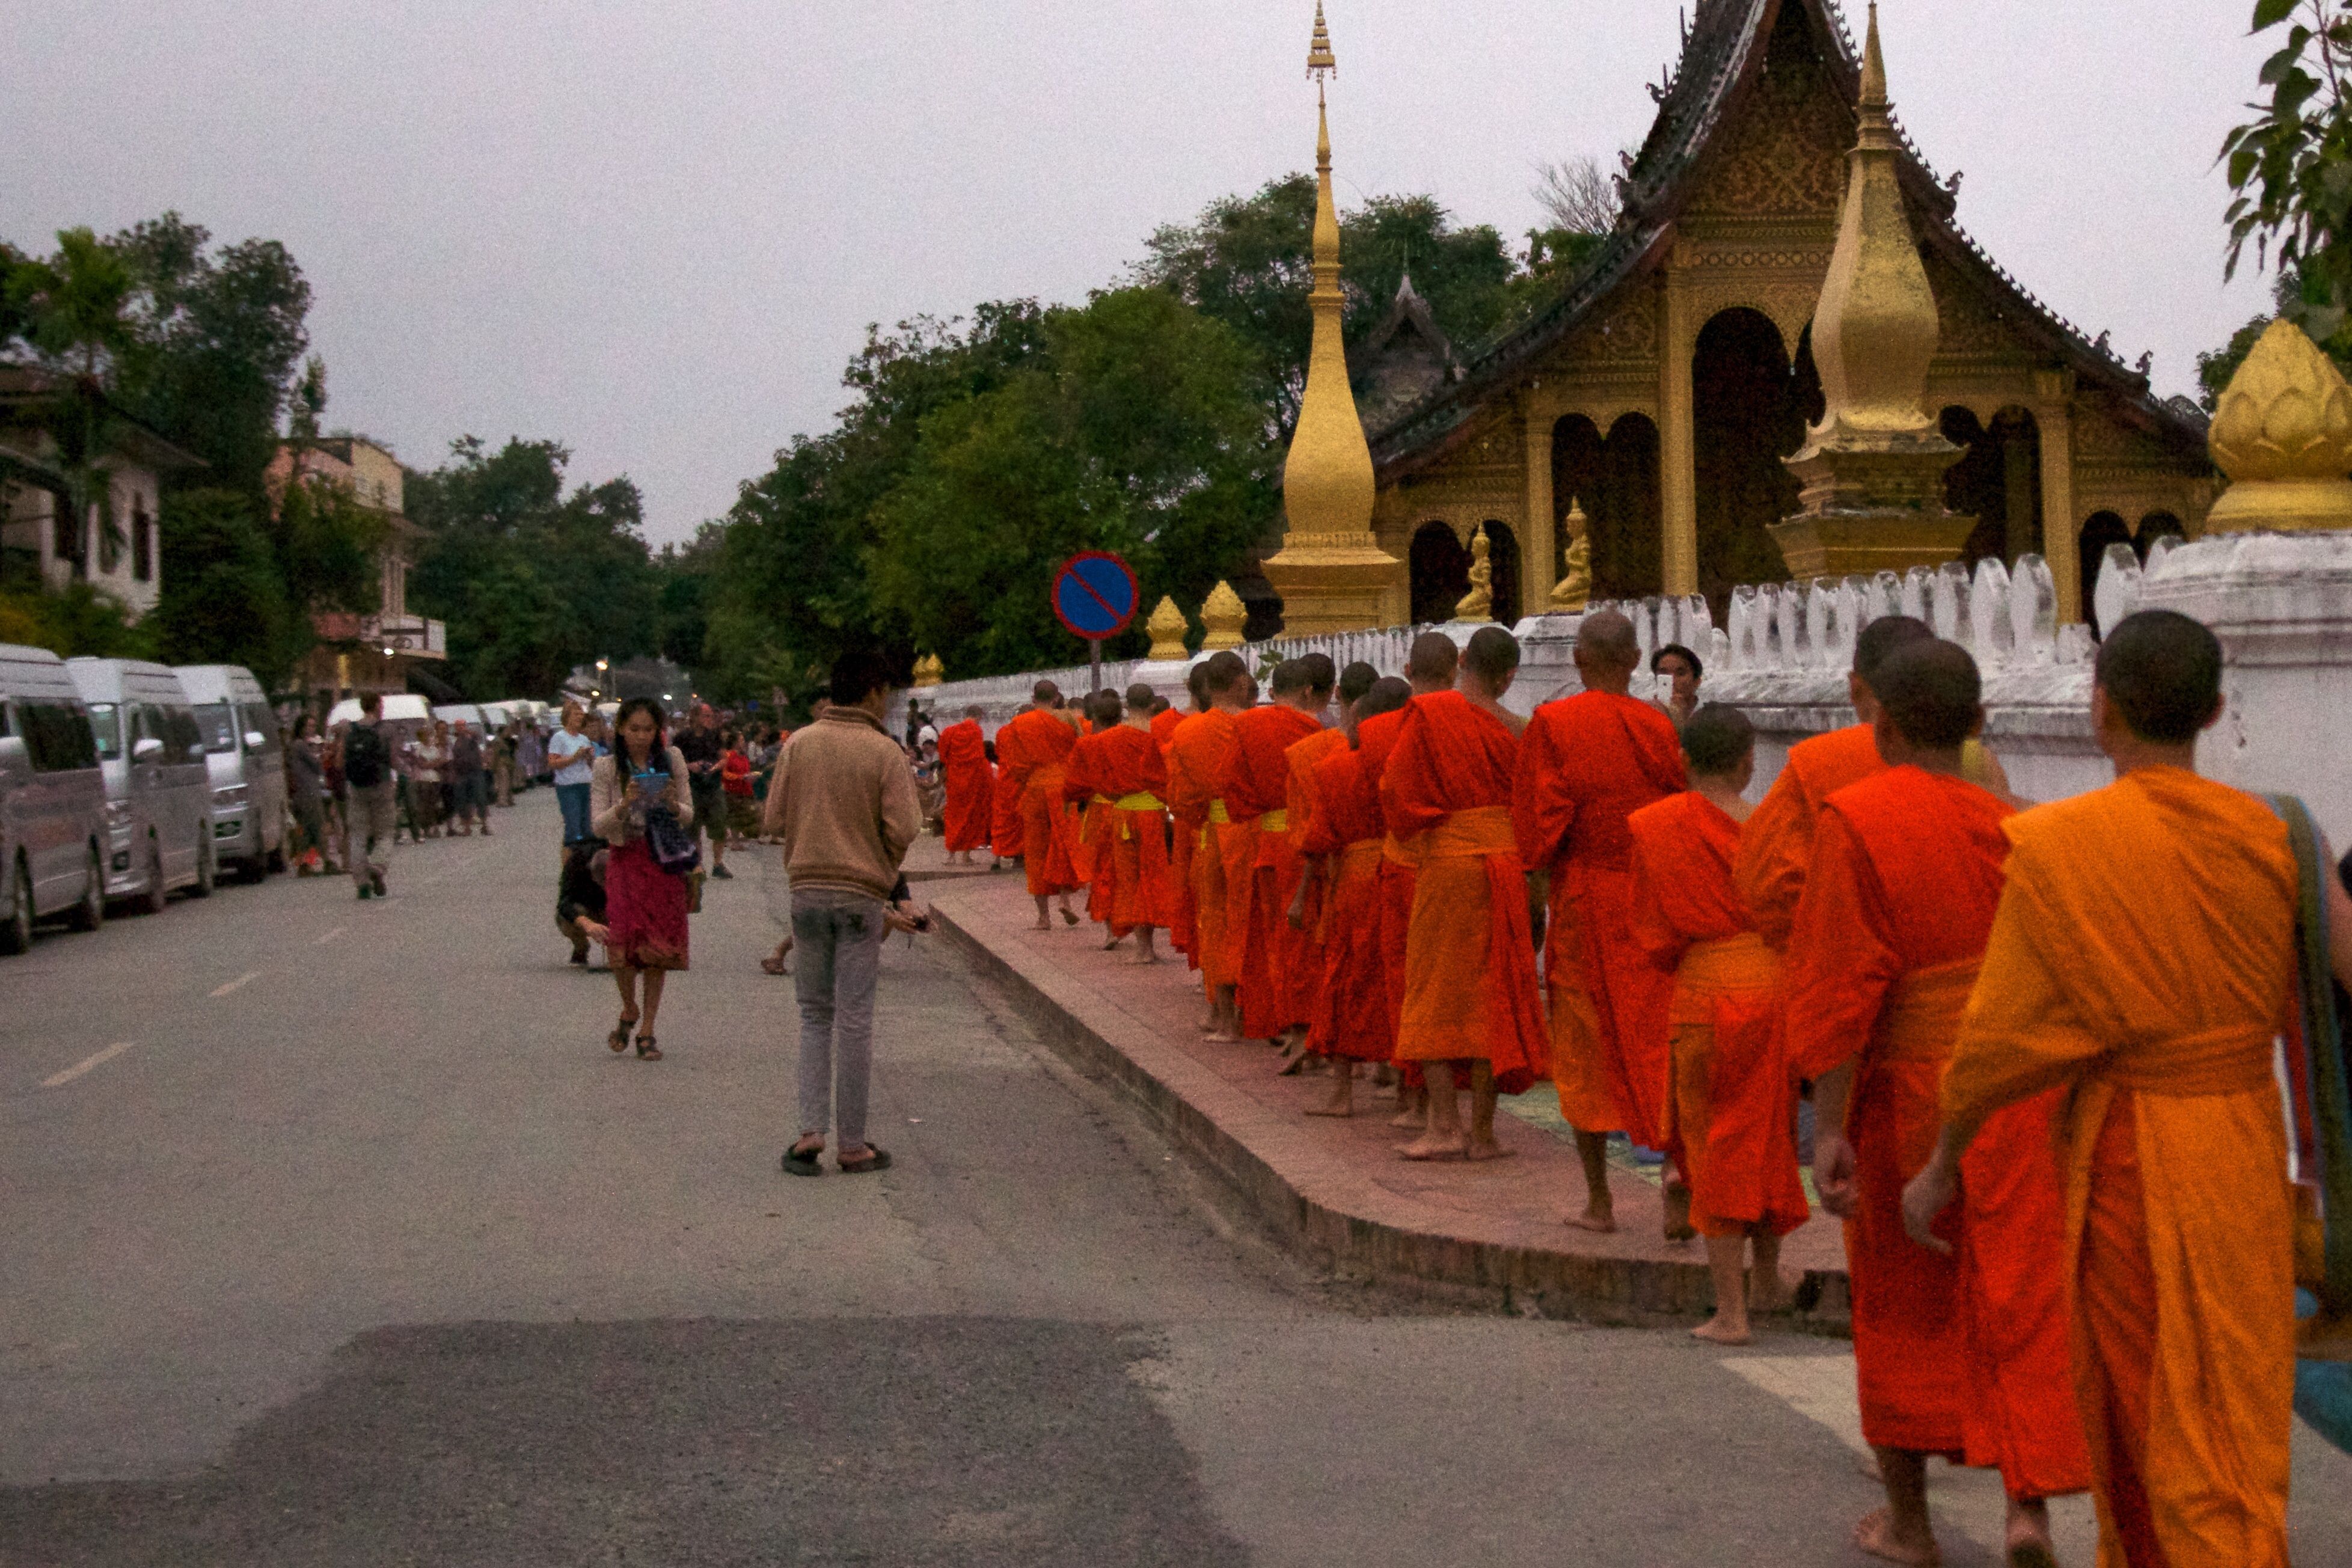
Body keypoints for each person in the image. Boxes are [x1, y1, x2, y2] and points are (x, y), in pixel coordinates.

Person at [1906, 611, 2352, 1568]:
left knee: (2145, 1397)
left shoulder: (2065, 844)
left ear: (2099, 710)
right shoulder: (2278, 831)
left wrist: (1942, 1164)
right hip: (2241, 1146)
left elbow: (1999, 1042)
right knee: (2230, 1396)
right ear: (2217, 711)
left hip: (2130, 1157)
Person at [1787, 640, 2086, 1567]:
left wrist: (1829, 1124)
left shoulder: (1858, 820)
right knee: (2016, 1296)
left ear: (1877, 724)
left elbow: (1845, 986)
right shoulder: (2015, 823)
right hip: (2017, 1089)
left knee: (1902, 1301)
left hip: (1910, 1090)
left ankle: (1912, 1525)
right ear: (1980, 726)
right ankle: (2025, 1510)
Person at [1626, 704, 1807, 1343]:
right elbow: (1796, 914)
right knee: (1766, 1137)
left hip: (1703, 993)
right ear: (1747, 760)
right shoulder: (1770, 828)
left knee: (1713, 1146)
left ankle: (1731, 1311)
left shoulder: (1655, 825)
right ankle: (1766, 1278)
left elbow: (1649, 934)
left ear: (1682, 761)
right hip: (1771, 990)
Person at [1516, 608, 1689, 1234]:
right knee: (1654, 1031)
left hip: (1587, 896)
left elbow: (1541, 824)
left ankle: (1600, 1201)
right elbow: (1680, 804)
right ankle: (1676, 1165)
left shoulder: (1555, 722)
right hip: (1651, 896)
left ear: (1579, 661)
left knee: (1584, 1045)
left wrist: (1537, 884)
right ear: (1637, 660)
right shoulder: (1659, 724)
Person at [1382, 625, 1546, 1162]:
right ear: (1509, 676)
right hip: (1507, 869)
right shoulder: (1522, 730)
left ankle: (1444, 1127)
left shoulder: (1432, 714)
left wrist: (1430, 827)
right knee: (1490, 995)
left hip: (1451, 865)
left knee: (1433, 990)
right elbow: (1538, 810)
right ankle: (1483, 1133)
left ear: (1461, 661)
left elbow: (1396, 793)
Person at [767, 649, 923, 1178]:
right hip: (859, 895)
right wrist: (881, 860)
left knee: (815, 1014)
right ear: (874, 691)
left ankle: (810, 1132)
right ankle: (853, 1145)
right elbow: (904, 828)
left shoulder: (800, 745)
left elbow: (773, 817)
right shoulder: (883, 752)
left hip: (807, 891)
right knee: (854, 1019)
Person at [1297, 675, 1411, 1116]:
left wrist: (1304, 893)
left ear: (1360, 719)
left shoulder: (1335, 769)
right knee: (1400, 980)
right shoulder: (1410, 763)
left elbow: (1320, 838)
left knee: (1345, 980)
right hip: (1405, 870)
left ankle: (1342, 1092)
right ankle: (1407, 1094)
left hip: (1356, 880)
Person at [1363, 632, 1460, 1129]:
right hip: (1462, 866)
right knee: (1459, 985)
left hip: (1402, 864)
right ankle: (1467, 1114)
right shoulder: (1479, 723)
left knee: (1406, 985)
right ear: (1457, 668)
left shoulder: (1378, 731)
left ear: (1406, 666)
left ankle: (1414, 1098)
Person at [1220, 660, 1328, 1044]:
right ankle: (1305, 1026)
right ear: (1307, 693)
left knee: (1272, 938)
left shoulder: (1247, 725)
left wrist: (1256, 812)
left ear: (1271, 691)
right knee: (1305, 938)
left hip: (1267, 840)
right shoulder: (1314, 730)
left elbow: (1230, 782)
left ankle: (1282, 1020)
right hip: (1305, 844)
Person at [590, 697, 693, 1061]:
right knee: (622, 941)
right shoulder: (606, 767)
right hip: (626, 859)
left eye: (648, 729)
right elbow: (597, 824)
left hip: (662, 861)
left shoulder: (672, 760)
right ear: (620, 728)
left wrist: (669, 804)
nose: (641, 736)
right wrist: (624, 804)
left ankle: (648, 1028)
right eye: (634, 729)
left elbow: (688, 813)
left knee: (657, 948)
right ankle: (629, 1006)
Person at [1271, 654, 1349, 1070]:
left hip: (1307, 850)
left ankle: (1308, 1033)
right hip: (1340, 856)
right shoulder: (1338, 735)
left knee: (1307, 951)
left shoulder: (1314, 740)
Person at [1165, 653, 1250, 1037]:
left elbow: (1181, 800)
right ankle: (1257, 1012)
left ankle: (1222, 1013)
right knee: (1251, 922)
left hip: (1214, 833)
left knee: (1215, 922)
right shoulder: (1257, 725)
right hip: (1257, 831)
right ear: (1241, 682)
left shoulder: (1186, 733)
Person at [1095, 682, 1174, 964]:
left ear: (1127, 706)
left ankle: (1141, 947)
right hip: (1153, 813)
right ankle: (1149, 947)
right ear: (1153, 705)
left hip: (1123, 814)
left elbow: (1101, 783)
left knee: (1129, 878)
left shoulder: (1110, 738)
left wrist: (1120, 798)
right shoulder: (1161, 734)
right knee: (1152, 875)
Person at [999, 681, 1082, 931]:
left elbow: (1014, 764)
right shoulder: (1068, 719)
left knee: (1036, 851)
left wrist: (1031, 780)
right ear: (1057, 697)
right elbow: (1079, 752)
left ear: (1034, 697)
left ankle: (1043, 917)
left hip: (1035, 787)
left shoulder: (1021, 723)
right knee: (1064, 844)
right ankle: (1066, 900)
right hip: (1063, 788)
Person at [339, 692, 396, 901]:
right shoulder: (386, 729)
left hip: (356, 787)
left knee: (358, 835)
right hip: (381, 785)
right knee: (385, 832)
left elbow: (340, 761)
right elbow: (393, 760)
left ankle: (362, 883)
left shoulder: (349, 729)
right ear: (377, 705)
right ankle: (378, 865)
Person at [676, 702, 732, 880]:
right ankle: (698, 864)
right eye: (705, 716)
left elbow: (724, 758)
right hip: (692, 786)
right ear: (695, 717)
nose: (709, 719)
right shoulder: (683, 738)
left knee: (719, 824)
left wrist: (715, 767)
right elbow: (674, 762)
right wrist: (690, 766)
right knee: (693, 827)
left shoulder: (714, 736)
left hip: (713, 786)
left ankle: (718, 863)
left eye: (710, 716)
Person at [939, 705, 995, 865]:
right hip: (972, 781)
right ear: (979, 717)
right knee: (970, 817)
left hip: (955, 781)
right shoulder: (975, 731)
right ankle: (966, 856)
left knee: (953, 816)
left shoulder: (949, 731)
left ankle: (950, 856)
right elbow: (978, 757)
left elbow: (943, 756)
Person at [287, 714, 330, 875]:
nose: (312, 730)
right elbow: (317, 765)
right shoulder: (300, 745)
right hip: (307, 792)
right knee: (315, 826)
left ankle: (306, 863)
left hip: (306, 791)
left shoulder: (300, 745)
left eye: (314, 726)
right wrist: (323, 755)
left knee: (306, 828)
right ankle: (315, 862)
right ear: (301, 727)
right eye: (309, 726)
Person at [550, 703, 596, 850]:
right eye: (576, 715)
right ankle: (572, 856)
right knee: (573, 825)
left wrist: (589, 757)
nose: (579, 718)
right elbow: (552, 762)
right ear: (567, 717)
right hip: (568, 786)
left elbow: (590, 764)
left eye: (581, 716)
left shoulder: (583, 739)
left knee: (588, 825)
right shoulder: (559, 738)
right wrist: (574, 758)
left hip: (586, 783)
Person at [557, 838, 610, 967]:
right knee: (567, 919)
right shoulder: (578, 861)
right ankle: (581, 946)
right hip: (588, 907)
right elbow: (565, 904)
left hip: (619, 910)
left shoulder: (633, 861)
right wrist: (587, 924)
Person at [449, 718, 491, 836]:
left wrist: (468, 732)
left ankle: (484, 825)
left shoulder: (471, 738)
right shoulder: (454, 741)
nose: (460, 728)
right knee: (463, 801)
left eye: (462, 726)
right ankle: (467, 827)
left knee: (480, 798)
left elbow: (477, 737)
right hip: (461, 774)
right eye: (458, 726)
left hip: (475, 772)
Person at [408, 721, 448, 839]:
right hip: (423, 780)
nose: (428, 737)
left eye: (429, 735)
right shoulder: (418, 749)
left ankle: (435, 827)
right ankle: (426, 829)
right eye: (425, 735)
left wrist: (431, 763)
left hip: (434, 780)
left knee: (435, 804)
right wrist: (433, 763)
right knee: (424, 805)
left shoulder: (434, 748)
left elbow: (440, 762)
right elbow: (422, 765)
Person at [1650, 643, 1703, 730]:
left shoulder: (1708, 715)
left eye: (1680, 674)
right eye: (1664, 674)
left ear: (1697, 681)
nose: (1673, 681)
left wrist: (1682, 719)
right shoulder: (1646, 713)